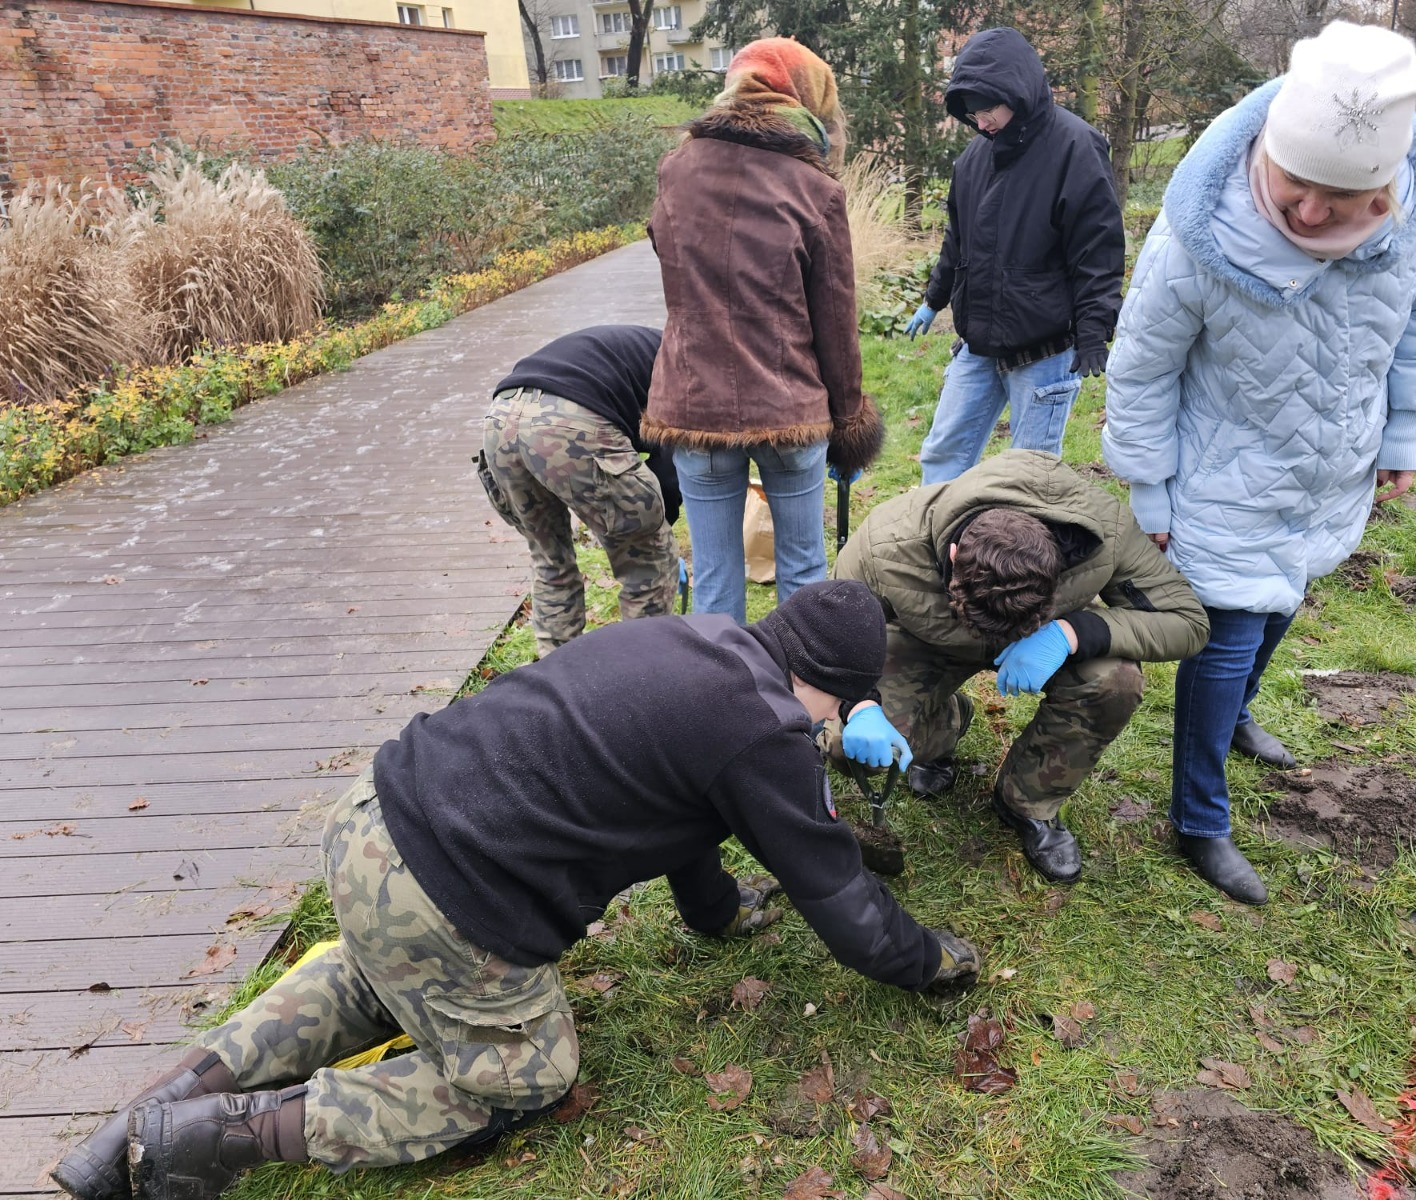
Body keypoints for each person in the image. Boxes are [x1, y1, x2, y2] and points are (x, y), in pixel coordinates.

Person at [52, 581, 980, 1200]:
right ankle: (216, 1140)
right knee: (526, 1077)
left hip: (374, 816)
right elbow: (841, 902)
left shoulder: (696, 635)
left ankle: (132, 1126)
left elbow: (689, 820)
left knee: (380, 977)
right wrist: (930, 960)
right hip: (453, 895)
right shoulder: (766, 733)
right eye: (839, 708)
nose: (828, 726)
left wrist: (721, 912)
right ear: (831, 688)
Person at [1102, 22, 1416, 904]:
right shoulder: (1199, 236)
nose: (1308, 215)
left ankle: (1236, 718)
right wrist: (1149, 485)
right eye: (1293, 185)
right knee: (1228, 633)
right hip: (1221, 471)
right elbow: (1143, 367)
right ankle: (1199, 819)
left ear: (1385, 186)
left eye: (1338, 199)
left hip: (1333, 465)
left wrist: (1405, 426)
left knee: (1285, 601)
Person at [832, 450, 1209, 883]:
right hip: (929, 640)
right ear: (953, 554)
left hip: (1042, 639)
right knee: (846, 745)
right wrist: (860, 706)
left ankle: (1027, 800)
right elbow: (831, 635)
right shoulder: (887, 543)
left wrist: (1070, 632)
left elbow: (1188, 621)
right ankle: (946, 723)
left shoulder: (1106, 532)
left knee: (1116, 680)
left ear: (1061, 568)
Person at [643, 37, 883, 623]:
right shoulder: (815, 187)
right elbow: (836, 321)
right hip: (788, 406)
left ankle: (718, 682)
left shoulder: (676, 170)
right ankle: (799, 680)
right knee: (802, 569)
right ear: (807, 97)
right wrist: (850, 418)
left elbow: (665, 255)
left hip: (694, 405)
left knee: (715, 575)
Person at [904, 27, 1124, 485]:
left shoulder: (1075, 147)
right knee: (942, 454)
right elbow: (957, 243)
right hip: (979, 343)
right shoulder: (973, 160)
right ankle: (936, 531)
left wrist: (1093, 332)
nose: (981, 122)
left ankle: (1021, 535)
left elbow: (1096, 250)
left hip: (1044, 348)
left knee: (1029, 478)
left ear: (1016, 93)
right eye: (972, 113)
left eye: (988, 110)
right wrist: (933, 299)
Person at [476, 325, 680, 657]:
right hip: (569, 419)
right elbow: (671, 463)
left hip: (500, 420)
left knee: (550, 559)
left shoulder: (641, 345)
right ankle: (643, 673)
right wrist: (655, 524)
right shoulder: (682, 364)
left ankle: (555, 672)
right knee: (649, 561)